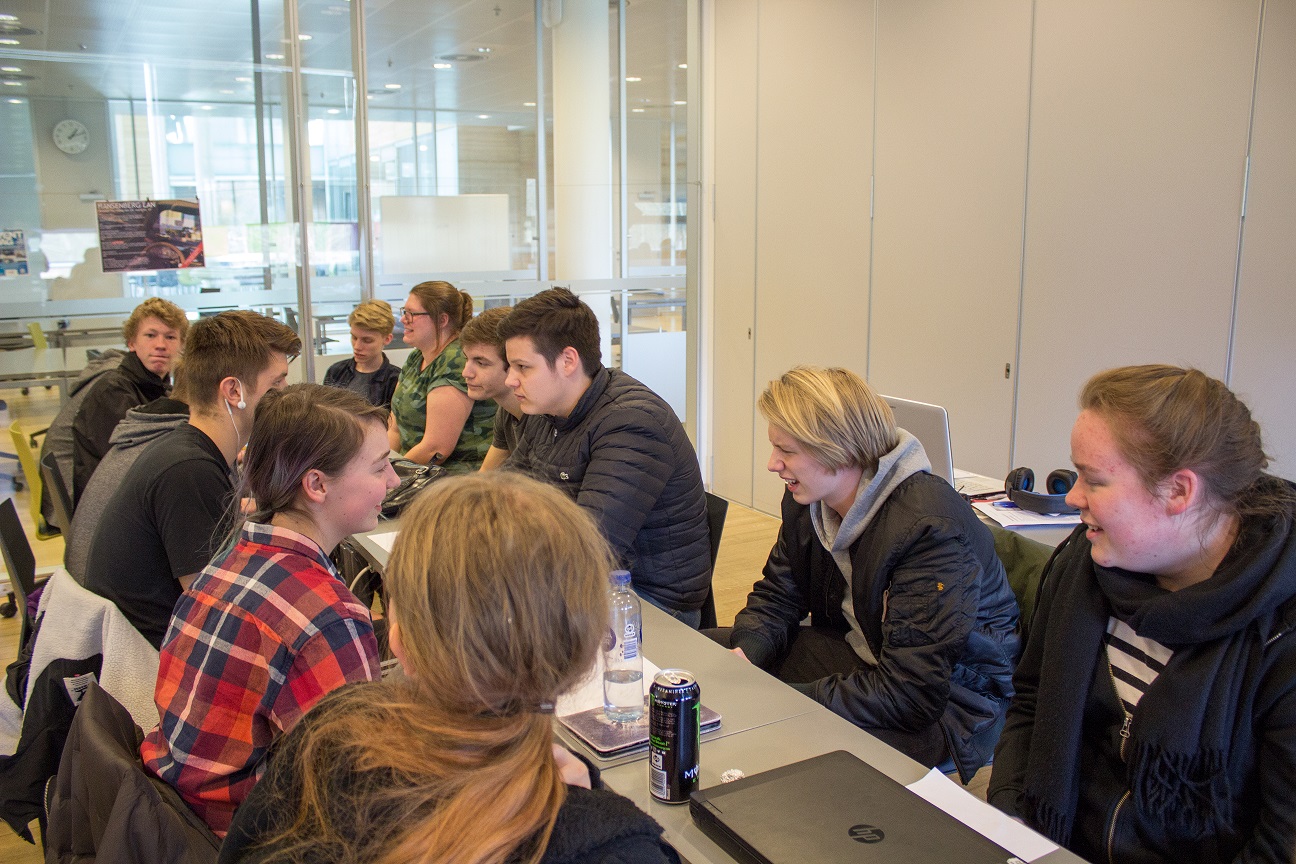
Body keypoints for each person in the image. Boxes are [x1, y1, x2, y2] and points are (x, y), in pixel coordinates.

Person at [219, 472, 680, 864]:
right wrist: (592, 797)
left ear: (398, 640)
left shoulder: (328, 734)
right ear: (587, 653)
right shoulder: (615, 846)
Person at [989, 365, 1296, 864]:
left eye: (1095, 479)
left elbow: (1280, 847)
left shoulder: (1281, 631)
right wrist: (1013, 829)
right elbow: (1031, 701)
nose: (1072, 498)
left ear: (1179, 491)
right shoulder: (1083, 565)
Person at [713, 366, 1019, 779]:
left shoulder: (929, 528)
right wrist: (747, 653)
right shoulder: (809, 502)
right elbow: (776, 597)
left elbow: (913, 693)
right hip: (866, 659)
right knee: (708, 660)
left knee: (776, 745)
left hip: (946, 708)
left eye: (786, 451)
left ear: (836, 448)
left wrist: (781, 699)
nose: (772, 464)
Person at [141, 384, 395, 837]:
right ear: (316, 484)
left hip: (181, 809)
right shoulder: (329, 618)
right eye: (380, 467)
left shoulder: (232, 559)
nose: (395, 481)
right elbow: (358, 794)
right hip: (249, 835)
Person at [83, 310, 300, 649]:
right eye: (277, 382)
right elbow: (216, 614)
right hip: (153, 662)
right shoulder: (188, 470)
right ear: (233, 390)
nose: (286, 393)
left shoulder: (187, 448)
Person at [497, 288, 710, 626]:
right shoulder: (547, 409)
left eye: (523, 367)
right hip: (577, 580)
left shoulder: (631, 423)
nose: (510, 380)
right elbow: (504, 493)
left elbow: (590, 546)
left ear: (568, 361)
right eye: (511, 366)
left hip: (643, 601)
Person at [65, 386, 189, 585]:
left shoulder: (148, 429)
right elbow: (201, 596)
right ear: (232, 391)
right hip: (106, 607)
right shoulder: (181, 455)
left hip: (86, 590)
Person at [71, 297, 188, 503]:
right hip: (108, 506)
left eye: (170, 337)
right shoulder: (113, 391)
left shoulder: (158, 387)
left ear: (182, 346)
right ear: (131, 342)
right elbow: (138, 463)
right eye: (150, 335)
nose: (161, 345)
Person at [388, 280, 496, 472]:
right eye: (404, 312)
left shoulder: (456, 360)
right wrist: (381, 466)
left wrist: (389, 475)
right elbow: (395, 429)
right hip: (411, 470)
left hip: (452, 478)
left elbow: (436, 449)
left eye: (412, 314)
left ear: (442, 320)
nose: (404, 319)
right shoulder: (416, 357)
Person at [459, 305, 525, 470]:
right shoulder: (506, 412)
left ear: (514, 364)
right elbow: (485, 476)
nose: (466, 373)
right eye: (467, 359)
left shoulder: (542, 418)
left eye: (481, 363)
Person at [322, 298, 401, 409]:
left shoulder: (396, 379)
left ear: (387, 339)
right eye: (354, 337)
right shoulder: (336, 371)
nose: (357, 347)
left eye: (367, 340)